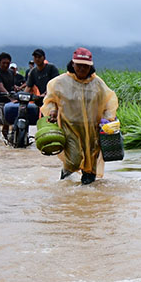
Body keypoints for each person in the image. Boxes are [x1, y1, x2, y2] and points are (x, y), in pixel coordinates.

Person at [42, 47, 118, 185]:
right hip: (70, 128)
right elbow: (51, 100)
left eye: (85, 66)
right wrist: (52, 111)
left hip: (92, 130)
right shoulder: (60, 82)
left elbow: (109, 102)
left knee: (90, 166)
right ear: (72, 64)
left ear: (91, 67)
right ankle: (65, 182)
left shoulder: (97, 84)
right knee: (74, 160)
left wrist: (107, 119)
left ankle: (86, 196)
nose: (82, 69)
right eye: (79, 65)